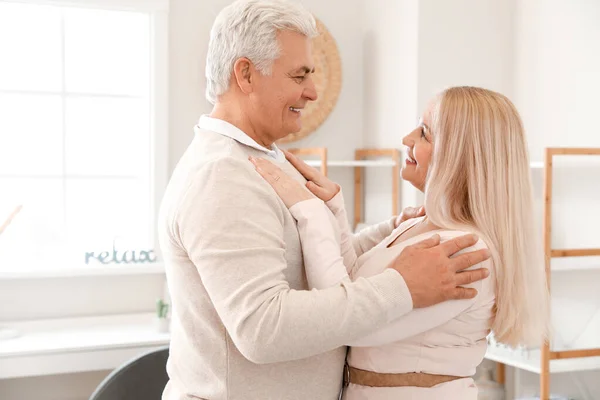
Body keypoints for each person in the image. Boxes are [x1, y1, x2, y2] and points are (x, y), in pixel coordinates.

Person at [157, 1, 490, 399]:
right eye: (299, 75)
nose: (312, 91)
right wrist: (401, 286)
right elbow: (263, 328)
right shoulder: (222, 177)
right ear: (245, 74)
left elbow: (303, 266)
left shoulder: (263, 157)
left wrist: (390, 233)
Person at [252, 86, 550, 399]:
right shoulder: (421, 226)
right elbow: (353, 284)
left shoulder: (464, 251)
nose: (407, 139)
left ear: (459, 155)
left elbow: (348, 322)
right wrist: (334, 209)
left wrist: (311, 213)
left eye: (425, 133)